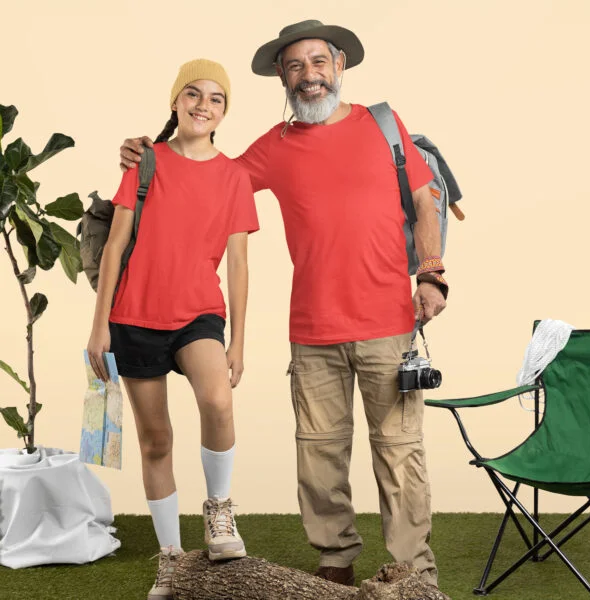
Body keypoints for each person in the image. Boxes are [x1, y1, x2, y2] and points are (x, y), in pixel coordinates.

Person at [119, 20, 448, 590]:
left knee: (400, 455)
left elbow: (425, 200)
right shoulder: (273, 147)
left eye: (318, 63)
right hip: (312, 329)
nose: (309, 75)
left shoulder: (383, 126)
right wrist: (145, 153)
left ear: (339, 66)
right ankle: (335, 564)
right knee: (319, 458)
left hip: (388, 325)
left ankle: (412, 573)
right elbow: (204, 171)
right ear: (281, 76)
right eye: (295, 66)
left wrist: (432, 273)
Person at [89, 58, 259, 600]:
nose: (203, 105)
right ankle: (171, 560)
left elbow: (237, 262)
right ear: (175, 101)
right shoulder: (145, 163)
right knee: (155, 440)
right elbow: (114, 247)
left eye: (215, 99)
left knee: (218, 401)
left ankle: (219, 512)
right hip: (133, 318)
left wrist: (237, 341)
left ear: (224, 112)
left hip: (198, 315)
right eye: (193, 94)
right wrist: (98, 329)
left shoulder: (235, 176)